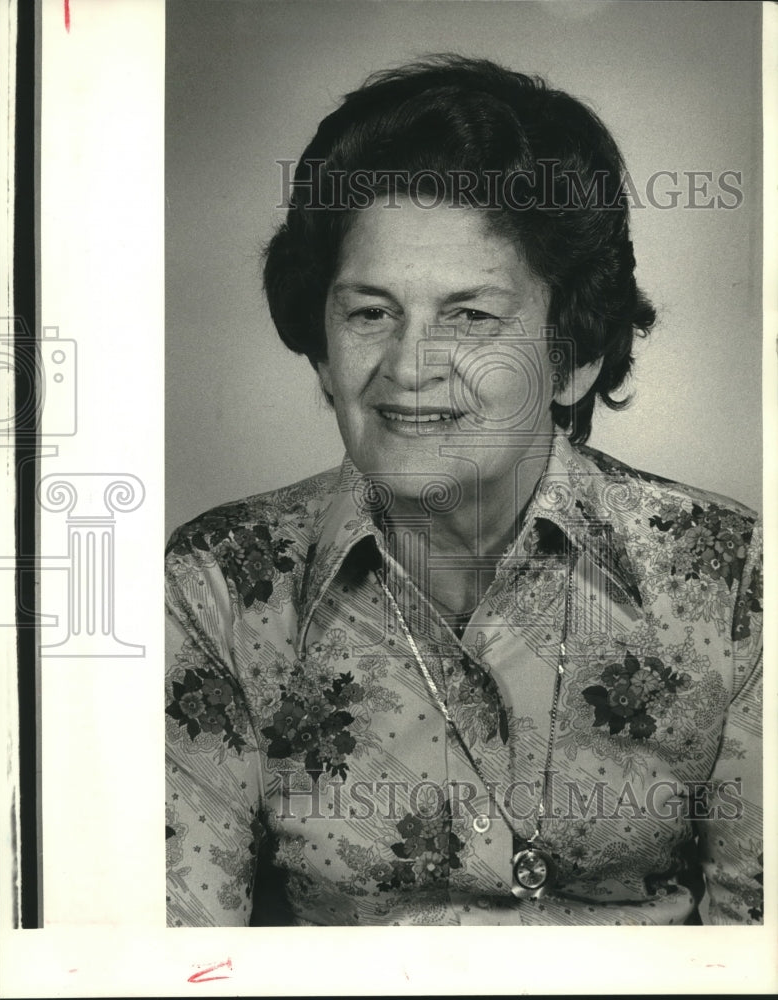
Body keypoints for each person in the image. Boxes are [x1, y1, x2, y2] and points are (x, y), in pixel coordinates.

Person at [165, 56, 762, 926]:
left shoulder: (731, 578)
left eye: (470, 317)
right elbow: (176, 956)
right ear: (323, 350)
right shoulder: (214, 587)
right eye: (369, 312)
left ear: (576, 356)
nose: (408, 367)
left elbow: (760, 946)